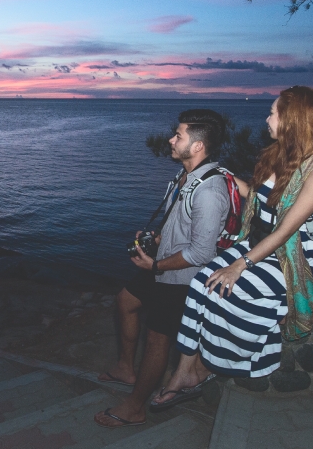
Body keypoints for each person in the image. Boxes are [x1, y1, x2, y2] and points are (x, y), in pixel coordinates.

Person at [150, 86, 313, 407]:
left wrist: (239, 265)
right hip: (258, 242)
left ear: (294, 121)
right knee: (199, 284)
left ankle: (204, 368)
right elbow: (263, 200)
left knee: (235, 297)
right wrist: (232, 180)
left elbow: (285, 230)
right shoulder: (281, 155)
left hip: (288, 254)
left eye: (274, 113)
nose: (268, 118)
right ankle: (183, 371)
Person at [94, 109, 232, 428]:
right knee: (125, 302)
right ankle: (125, 368)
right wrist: (157, 237)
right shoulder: (183, 178)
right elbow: (182, 227)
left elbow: (201, 251)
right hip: (161, 268)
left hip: (181, 279)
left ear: (197, 146)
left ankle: (135, 407)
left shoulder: (210, 191)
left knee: (158, 339)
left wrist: (155, 264)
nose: (171, 139)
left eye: (179, 135)